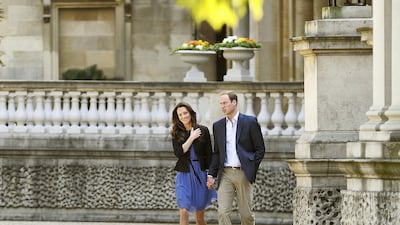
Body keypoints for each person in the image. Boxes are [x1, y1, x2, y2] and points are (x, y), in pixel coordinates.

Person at [207, 91, 265, 225]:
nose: (222, 106)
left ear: (234, 102)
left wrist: (250, 167)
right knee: (223, 212)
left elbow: (260, 149)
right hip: (225, 173)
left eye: (225, 103)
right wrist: (211, 174)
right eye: (221, 103)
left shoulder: (250, 122)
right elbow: (217, 153)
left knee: (246, 214)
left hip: (243, 172)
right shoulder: (218, 125)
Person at [171, 102, 217, 225]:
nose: (183, 116)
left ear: (191, 113)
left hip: (199, 173)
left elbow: (209, 155)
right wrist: (191, 137)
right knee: (184, 210)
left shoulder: (203, 130)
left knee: (199, 216)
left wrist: (211, 176)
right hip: (184, 174)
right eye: (180, 115)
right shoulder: (176, 132)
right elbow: (179, 152)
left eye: (185, 113)